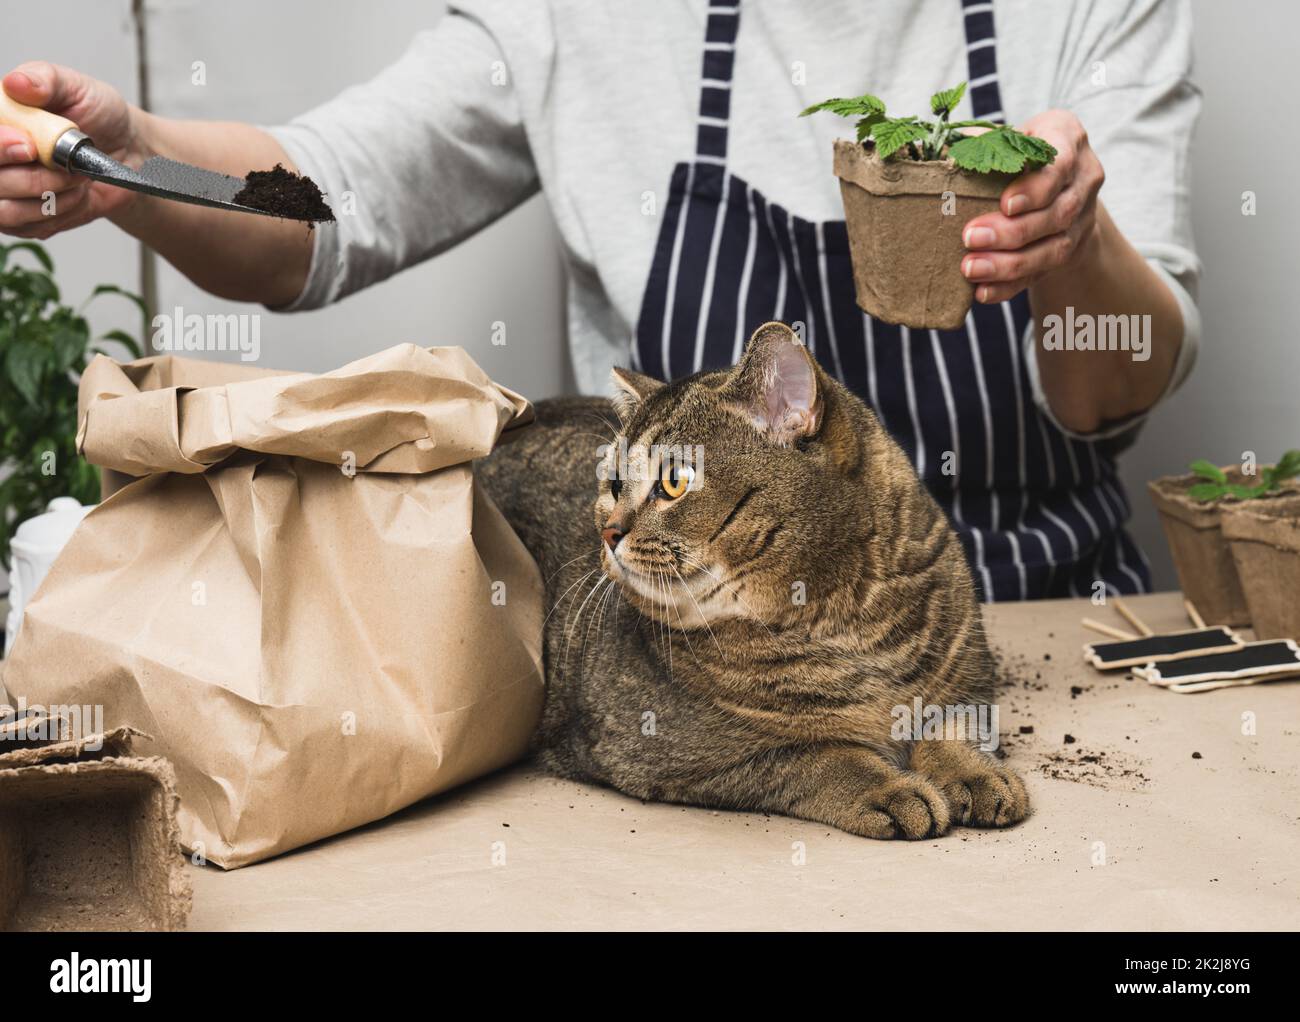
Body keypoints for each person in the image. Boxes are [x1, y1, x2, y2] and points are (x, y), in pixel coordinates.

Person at [0, 0, 1200, 601]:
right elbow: (326, 207)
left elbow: (1116, 389)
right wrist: (135, 159)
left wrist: (1076, 245)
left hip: (1028, 623)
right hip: (698, 664)